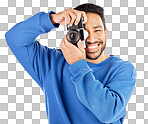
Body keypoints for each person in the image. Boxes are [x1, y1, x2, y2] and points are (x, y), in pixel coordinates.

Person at [5, 3, 136, 124]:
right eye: (84, 32)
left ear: (106, 33)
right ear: (72, 33)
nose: (91, 39)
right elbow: (14, 38)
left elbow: (108, 112)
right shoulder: (51, 63)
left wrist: (77, 64)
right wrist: (51, 20)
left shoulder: (122, 69)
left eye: (97, 30)